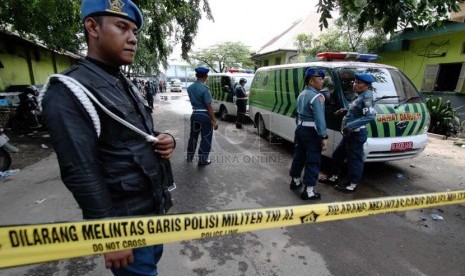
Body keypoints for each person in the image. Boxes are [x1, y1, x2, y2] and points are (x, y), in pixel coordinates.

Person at [40, 0, 175, 275]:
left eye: (135, 32)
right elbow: (80, 171)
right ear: (93, 27)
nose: (132, 38)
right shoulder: (69, 90)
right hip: (124, 223)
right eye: (122, 27)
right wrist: (107, 232)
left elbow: (137, 135)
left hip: (151, 211)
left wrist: (165, 139)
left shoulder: (121, 81)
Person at [319, 73, 376, 193]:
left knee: (354, 160)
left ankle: (352, 185)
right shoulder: (360, 95)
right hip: (349, 134)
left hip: (356, 134)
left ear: (367, 86)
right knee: (337, 155)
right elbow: (357, 110)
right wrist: (345, 111)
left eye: (359, 83)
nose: (355, 84)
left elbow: (369, 116)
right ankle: (333, 177)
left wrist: (349, 126)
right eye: (355, 82)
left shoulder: (367, 98)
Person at [289, 67, 329, 200]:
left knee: (299, 156)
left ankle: (295, 181)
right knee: (313, 160)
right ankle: (309, 191)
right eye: (320, 79)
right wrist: (323, 136)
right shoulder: (317, 97)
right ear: (311, 81)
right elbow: (320, 119)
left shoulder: (302, 94)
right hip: (312, 132)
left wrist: (300, 128)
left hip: (300, 129)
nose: (323, 81)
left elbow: (297, 114)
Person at [186, 66, 218, 165]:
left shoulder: (190, 88)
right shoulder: (205, 89)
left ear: (196, 75)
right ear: (206, 76)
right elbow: (208, 106)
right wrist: (214, 120)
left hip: (195, 114)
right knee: (206, 138)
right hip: (204, 115)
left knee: (193, 136)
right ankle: (203, 159)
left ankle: (189, 156)